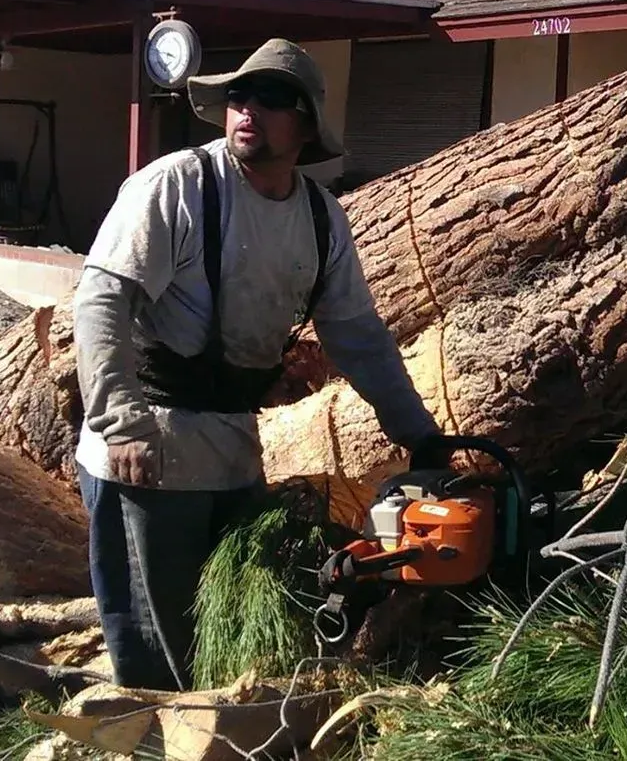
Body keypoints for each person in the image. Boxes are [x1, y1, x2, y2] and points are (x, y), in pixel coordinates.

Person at [71, 37, 445, 690]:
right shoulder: (177, 186)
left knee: (229, 637)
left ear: (305, 123)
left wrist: (420, 433)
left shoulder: (320, 219)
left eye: (271, 100)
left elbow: (358, 335)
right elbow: (101, 299)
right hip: (148, 451)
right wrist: (119, 419)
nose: (247, 110)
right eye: (238, 97)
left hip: (232, 450)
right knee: (158, 656)